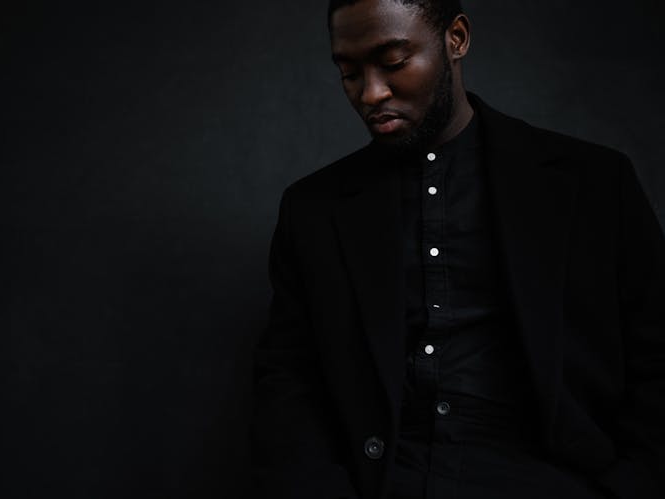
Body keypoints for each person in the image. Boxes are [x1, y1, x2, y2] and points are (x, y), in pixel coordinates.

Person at [251, 1, 665, 498]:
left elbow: (657, 354)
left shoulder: (593, 182)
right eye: (349, 72)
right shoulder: (314, 209)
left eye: (394, 61)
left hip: (552, 480)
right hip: (382, 481)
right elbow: (288, 380)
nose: (371, 92)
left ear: (457, 39)